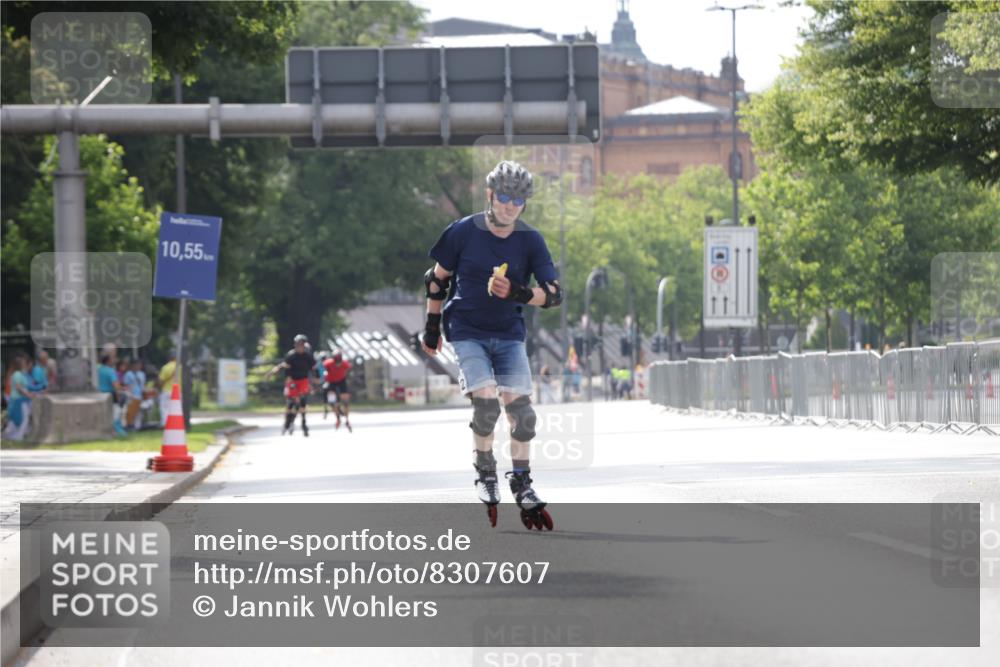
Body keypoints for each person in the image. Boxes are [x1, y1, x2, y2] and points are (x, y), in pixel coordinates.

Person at [421, 159, 560, 531]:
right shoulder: (463, 231)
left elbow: (552, 295)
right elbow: (436, 281)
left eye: (518, 200)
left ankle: (522, 482)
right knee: (485, 403)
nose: (510, 205)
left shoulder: (530, 240)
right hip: (467, 329)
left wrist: (517, 291)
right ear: (490, 195)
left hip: (509, 331)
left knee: (523, 415)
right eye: (503, 197)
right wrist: (432, 328)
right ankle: (485, 473)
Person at [266, 334, 314, 437]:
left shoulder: (308, 356)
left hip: (303, 380)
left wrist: (316, 380)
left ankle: (304, 424)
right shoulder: (291, 355)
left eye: (301, 345)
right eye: (298, 345)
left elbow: (313, 368)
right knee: (291, 404)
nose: (299, 347)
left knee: (302, 402)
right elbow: (283, 365)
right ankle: (287, 422)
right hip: (292, 380)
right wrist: (273, 372)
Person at [3, 355, 37, 441]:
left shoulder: (20, 374)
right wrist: (28, 394)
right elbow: (19, 387)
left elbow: (24, 386)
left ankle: (13, 436)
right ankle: (18, 437)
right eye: (23, 362)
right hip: (19, 400)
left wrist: (30, 393)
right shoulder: (17, 374)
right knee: (23, 419)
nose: (24, 364)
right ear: (19, 364)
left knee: (17, 420)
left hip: (21, 400)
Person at [321, 349, 353, 432]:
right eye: (336, 362)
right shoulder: (328, 363)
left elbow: (349, 370)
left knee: (345, 402)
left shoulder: (345, 364)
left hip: (341, 381)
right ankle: (338, 418)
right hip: (331, 382)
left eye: (339, 362)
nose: (338, 364)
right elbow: (322, 368)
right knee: (333, 402)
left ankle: (347, 420)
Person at [98, 354, 127, 436]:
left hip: (99, 395)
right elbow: (115, 384)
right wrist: (119, 394)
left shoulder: (97, 370)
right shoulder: (110, 371)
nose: (114, 361)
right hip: (111, 395)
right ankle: (118, 430)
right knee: (116, 413)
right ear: (108, 361)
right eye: (112, 359)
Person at [123, 359, 146, 430]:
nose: (138, 366)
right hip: (132, 395)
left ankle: (137, 426)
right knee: (131, 411)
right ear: (133, 365)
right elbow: (126, 385)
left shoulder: (142, 374)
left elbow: (143, 384)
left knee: (139, 412)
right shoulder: (128, 374)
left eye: (139, 364)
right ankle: (130, 425)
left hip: (140, 394)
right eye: (137, 364)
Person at [158, 353, 179, 427]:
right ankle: (176, 424)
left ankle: (165, 424)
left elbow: (161, 381)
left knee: (164, 408)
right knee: (176, 409)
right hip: (178, 391)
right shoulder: (180, 367)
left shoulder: (165, 367)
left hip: (167, 390)